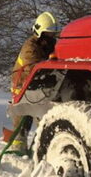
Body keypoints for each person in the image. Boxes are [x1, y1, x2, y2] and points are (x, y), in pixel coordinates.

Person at [5, 12, 59, 151]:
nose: (50, 37)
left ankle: (40, 147)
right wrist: (51, 62)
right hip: (22, 84)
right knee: (22, 117)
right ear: (39, 32)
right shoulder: (30, 46)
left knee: (42, 117)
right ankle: (17, 148)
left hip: (38, 85)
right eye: (47, 34)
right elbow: (33, 67)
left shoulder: (51, 44)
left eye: (52, 34)